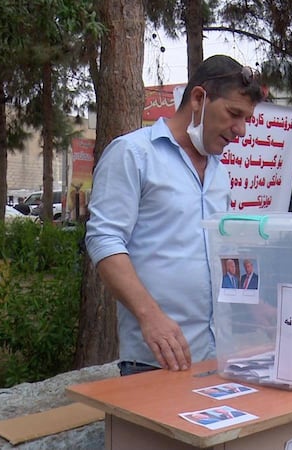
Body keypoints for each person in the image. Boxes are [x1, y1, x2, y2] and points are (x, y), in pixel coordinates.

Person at [85, 55, 264, 377]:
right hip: (156, 359)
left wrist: (254, 307)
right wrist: (150, 316)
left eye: (247, 119)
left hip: (218, 355)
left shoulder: (220, 172)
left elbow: (226, 250)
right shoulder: (133, 154)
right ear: (198, 98)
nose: (241, 130)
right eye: (234, 114)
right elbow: (104, 240)